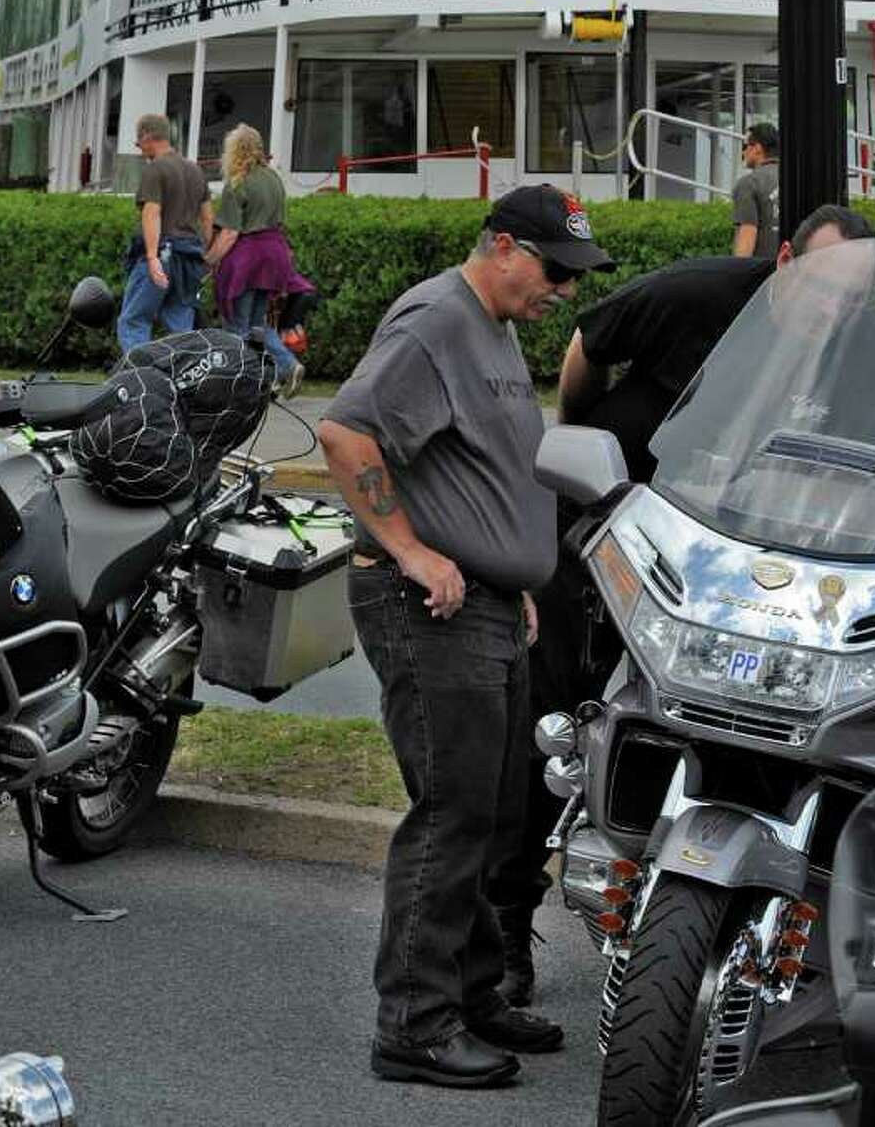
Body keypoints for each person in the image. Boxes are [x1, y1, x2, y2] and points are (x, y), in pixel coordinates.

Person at [489, 202, 875, 1005]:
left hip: (737, 568)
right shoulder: (695, 296)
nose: (834, 310)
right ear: (782, 263)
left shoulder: (870, 361)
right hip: (612, 530)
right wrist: (588, 445)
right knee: (552, 724)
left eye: (854, 298)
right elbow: (586, 353)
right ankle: (502, 929)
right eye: (822, 287)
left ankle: (756, 921)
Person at [317, 185, 614, 1092]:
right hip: (429, 611)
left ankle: (473, 992)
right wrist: (411, 550)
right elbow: (344, 431)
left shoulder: (493, 324)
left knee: (494, 812)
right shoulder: (436, 319)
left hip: (486, 604)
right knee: (451, 815)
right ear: (501, 245)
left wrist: (509, 575)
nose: (561, 290)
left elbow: (475, 467)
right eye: (554, 269)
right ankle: (413, 1021)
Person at [205, 123, 312, 397]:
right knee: (258, 324)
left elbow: (229, 233)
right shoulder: (274, 178)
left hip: (247, 259)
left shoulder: (237, 183)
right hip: (274, 255)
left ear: (234, 151)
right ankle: (287, 365)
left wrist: (209, 259)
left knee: (236, 326)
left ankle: (237, 385)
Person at [116, 113, 213, 352]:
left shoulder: (156, 169)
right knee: (180, 324)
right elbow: (208, 218)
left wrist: (151, 257)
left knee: (134, 320)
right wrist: (209, 258)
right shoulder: (195, 171)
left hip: (163, 255)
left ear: (148, 136)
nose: (140, 150)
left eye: (139, 143)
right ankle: (190, 379)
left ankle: (140, 377)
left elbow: (152, 213)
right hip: (189, 257)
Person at [732, 122, 781, 258]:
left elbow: (747, 232)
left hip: (765, 273)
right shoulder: (797, 180)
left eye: (745, 146)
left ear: (758, 148)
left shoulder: (749, 184)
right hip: (797, 270)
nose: (743, 152)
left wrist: (739, 274)